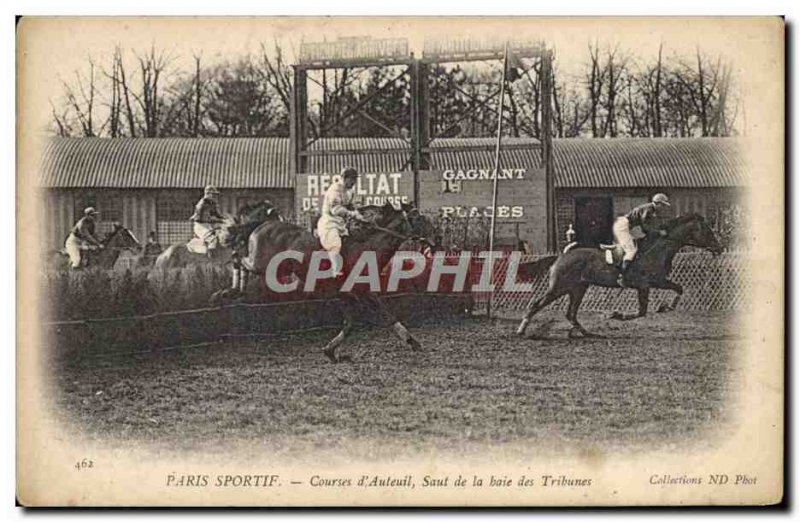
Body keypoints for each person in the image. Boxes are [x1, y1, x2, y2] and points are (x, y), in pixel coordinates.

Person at [316, 167, 366, 277]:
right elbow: (336, 210)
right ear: (344, 178)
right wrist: (353, 215)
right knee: (335, 245)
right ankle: (335, 272)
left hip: (342, 224)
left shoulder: (350, 191)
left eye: (355, 179)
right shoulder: (335, 190)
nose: (354, 182)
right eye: (352, 179)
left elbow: (351, 205)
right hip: (329, 222)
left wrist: (358, 214)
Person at [613, 193, 671, 286]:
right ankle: (621, 276)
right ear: (657, 203)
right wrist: (658, 232)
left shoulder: (651, 209)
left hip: (629, 227)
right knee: (631, 250)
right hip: (623, 226)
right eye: (663, 205)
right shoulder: (648, 209)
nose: (664, 208)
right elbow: (645, 227)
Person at [189, 185, 225, 255]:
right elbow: (203, 218)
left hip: (208, 225)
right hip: (200, 226)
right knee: (212, 239)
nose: (215, 196)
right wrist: (218, 220)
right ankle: (209, 257)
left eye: (215, 195)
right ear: (207, 194)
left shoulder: (212, 203)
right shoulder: (202, 204)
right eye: (213, 194)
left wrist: (225, 219)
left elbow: (217, 215)